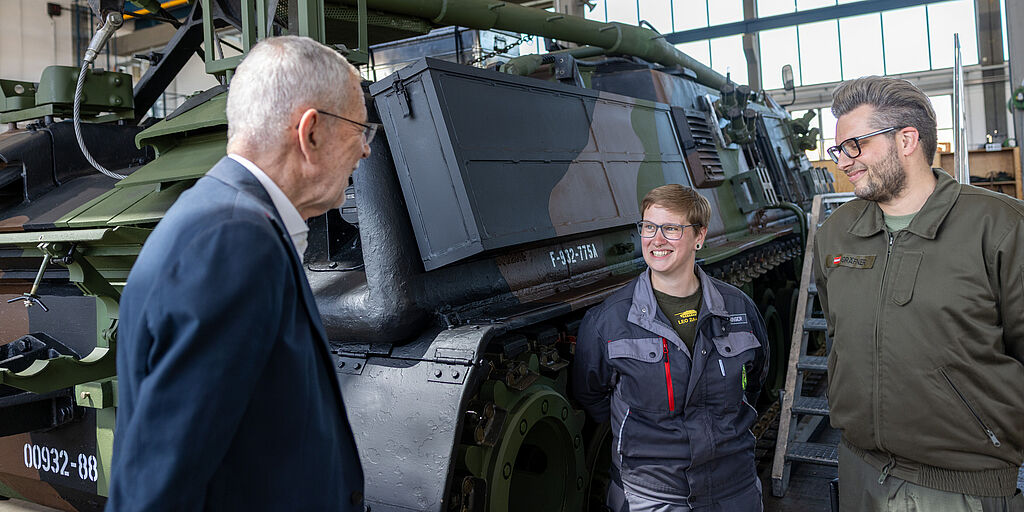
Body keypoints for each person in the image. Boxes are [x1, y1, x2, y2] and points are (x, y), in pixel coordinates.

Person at [107, 36, 373, 511]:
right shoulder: (234, 243)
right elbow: (158, 488)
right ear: (310, 133)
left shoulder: (222, 218)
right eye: (359, 128)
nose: (366, 150)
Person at [815, 76, 1024, 511]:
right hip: (860, 471)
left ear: (906, 139)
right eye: (839, 150)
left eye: (855, 145)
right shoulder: (836, 233)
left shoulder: (1000, 227)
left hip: (966, 485)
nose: (843, 161)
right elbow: (841, 335)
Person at [573, 184, 769, 511]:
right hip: (652, 493)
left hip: (733, 488)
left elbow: (756, 378)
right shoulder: (608, 320)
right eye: (649, 227)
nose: (656, 239)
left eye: (672, 228)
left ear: (699, 237)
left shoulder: (738, 308)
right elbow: (591, 394)